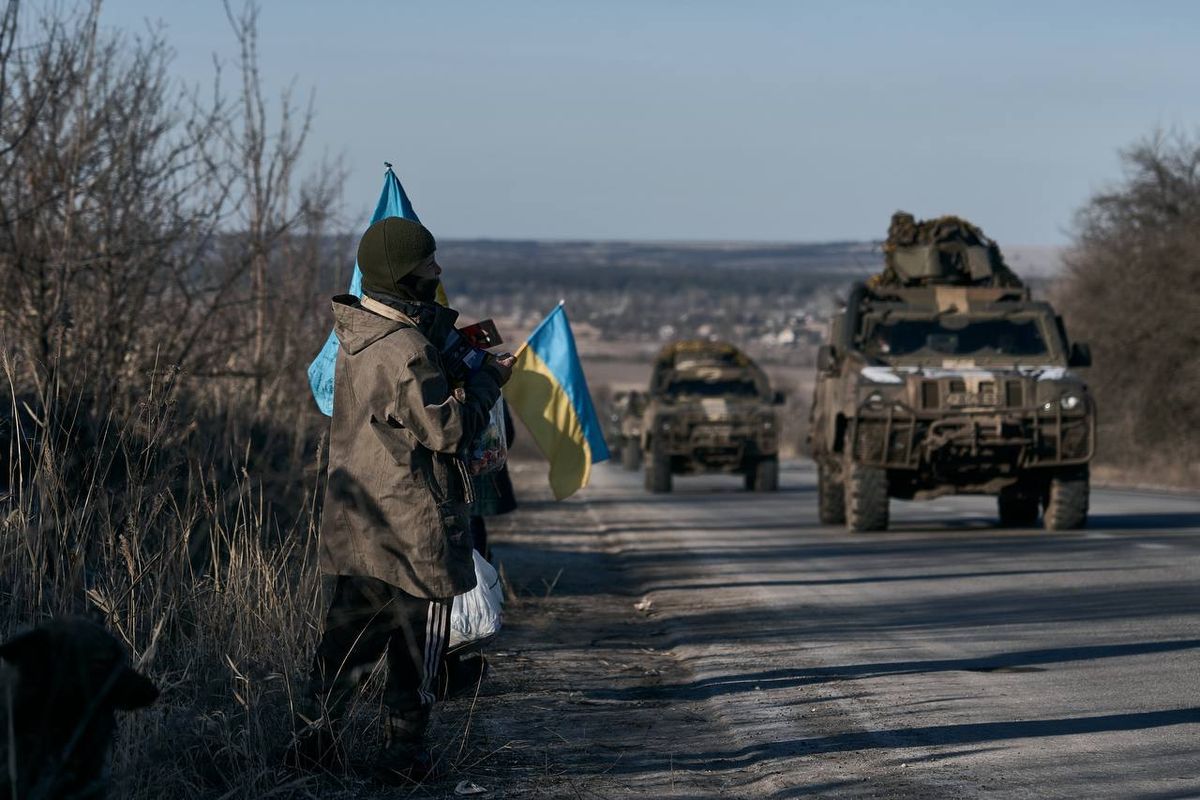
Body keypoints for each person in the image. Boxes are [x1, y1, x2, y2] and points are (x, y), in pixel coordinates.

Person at [289, 216, 514, 783]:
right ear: (404, 274)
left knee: (346, 643)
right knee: (416, 651)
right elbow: (448, 431)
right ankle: (403, 760)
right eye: (428, 264)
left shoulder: (357, 335)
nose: (437, 272)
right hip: (414, 525)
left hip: (361, 515)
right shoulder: (407, 349)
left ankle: (309, 749)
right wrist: (488, 380)